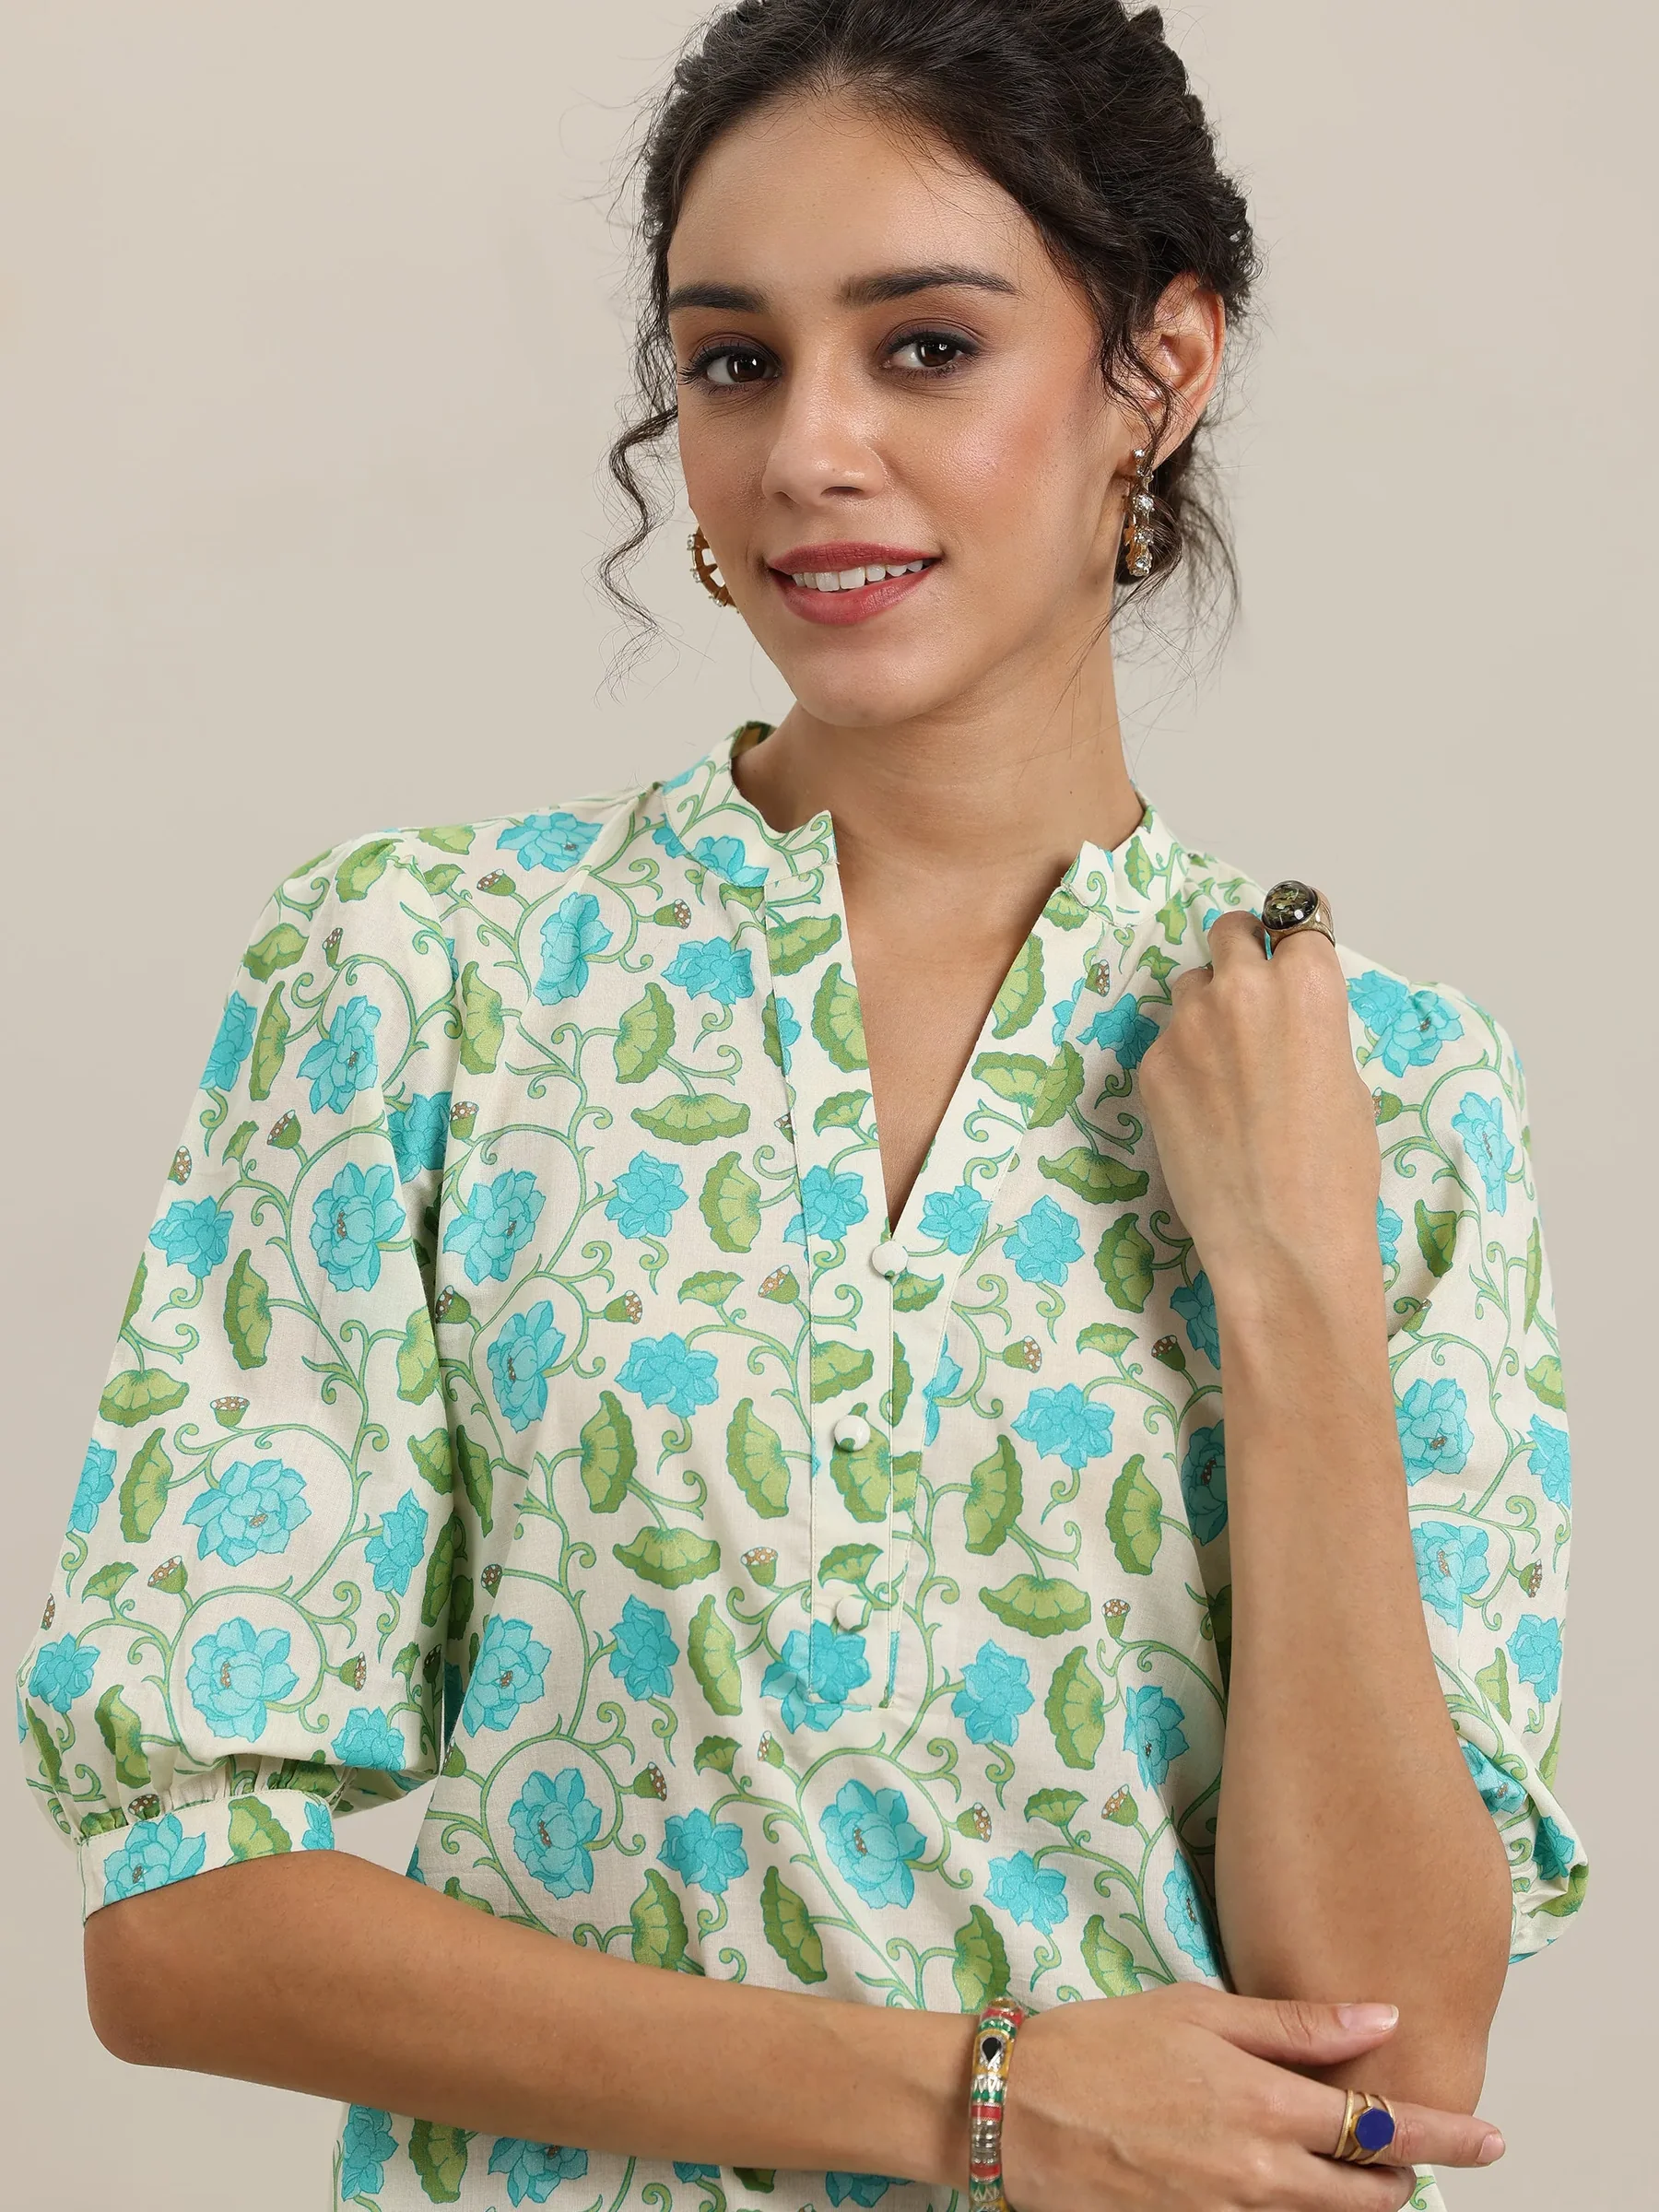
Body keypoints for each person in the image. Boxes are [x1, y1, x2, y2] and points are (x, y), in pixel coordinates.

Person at [15, 6, 1583, 2210]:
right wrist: (978, 2096)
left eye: (926, 348)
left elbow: (1396, 2067)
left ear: (1161, 367)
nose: (807, 452)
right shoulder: (427, 980)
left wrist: (1296, 1285)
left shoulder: (1391, 1089)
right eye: (736, 362)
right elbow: (179, 1918)